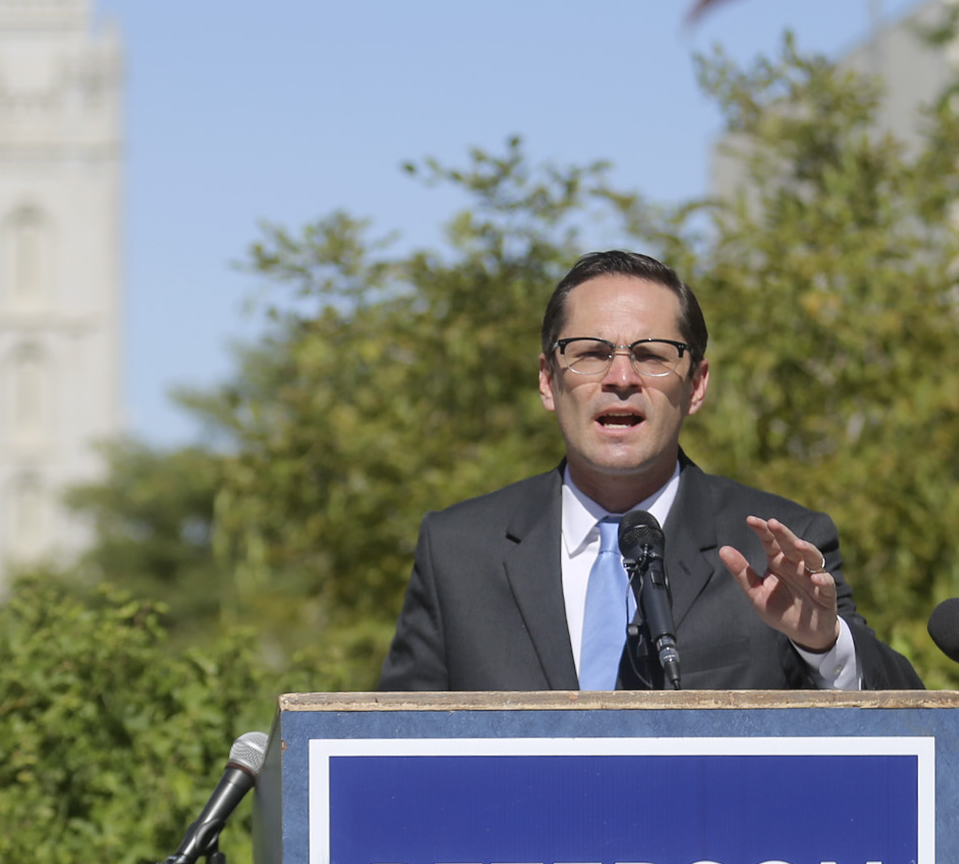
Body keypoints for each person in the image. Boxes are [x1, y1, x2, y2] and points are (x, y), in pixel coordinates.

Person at [379, 250, 921, 692]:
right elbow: (391, 751)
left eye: (652, 354)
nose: (621, 377)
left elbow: (910, 724)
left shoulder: (776, 550)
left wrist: (823, 646)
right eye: (590, 353)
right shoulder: (458, 551)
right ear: (547, 380)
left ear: (697, 385)